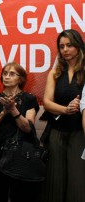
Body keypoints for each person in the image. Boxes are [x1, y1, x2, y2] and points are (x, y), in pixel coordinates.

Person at [41, 29, 85, 202]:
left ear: (78, 46)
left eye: (69, 45)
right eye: (61, 46)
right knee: (55, 180)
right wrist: (65, 109)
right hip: (56, 131)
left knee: (77, 180)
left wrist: (80, 106)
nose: (65, 49)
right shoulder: (55, 72)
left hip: (80, 132)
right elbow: (46, 102)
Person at [0, 62, 40, 202]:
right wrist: (4, 112)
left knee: (21, 196)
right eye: (5, 73)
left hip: (21, 155)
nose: (7, 77)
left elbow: (28, 127)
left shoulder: (29, 99)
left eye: (12, 74)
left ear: (21, 79)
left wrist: (14, 110)